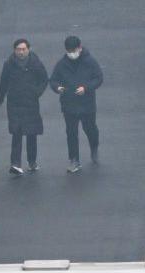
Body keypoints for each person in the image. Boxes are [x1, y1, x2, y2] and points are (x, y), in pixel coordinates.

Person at [49, 35, 103, 174]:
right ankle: (74, 160)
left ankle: (94, 147)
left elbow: (98, 78)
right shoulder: (61, 64)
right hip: (69, 105)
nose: (72, 53)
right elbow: (53, 80)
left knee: (90, 128)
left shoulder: (89, 61)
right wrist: (58, 88)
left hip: (87, 104)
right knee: (71, 132)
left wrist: (86, 88)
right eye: (69, 51)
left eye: (74, 50)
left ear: (80, 47)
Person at [0, 38, 48, 176]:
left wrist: (37, 92)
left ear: (28, 49)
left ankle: (32, 161)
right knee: (16, 133)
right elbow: (3, 81)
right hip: (14, 103)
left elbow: (44, 79)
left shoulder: (35, 63)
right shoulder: (9, 65)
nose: (21, 52)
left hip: (31, 103)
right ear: (14, 50)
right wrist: (0, 97)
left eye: (23, 49)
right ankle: (16, 164)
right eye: (18, 49)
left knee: (31, 133)